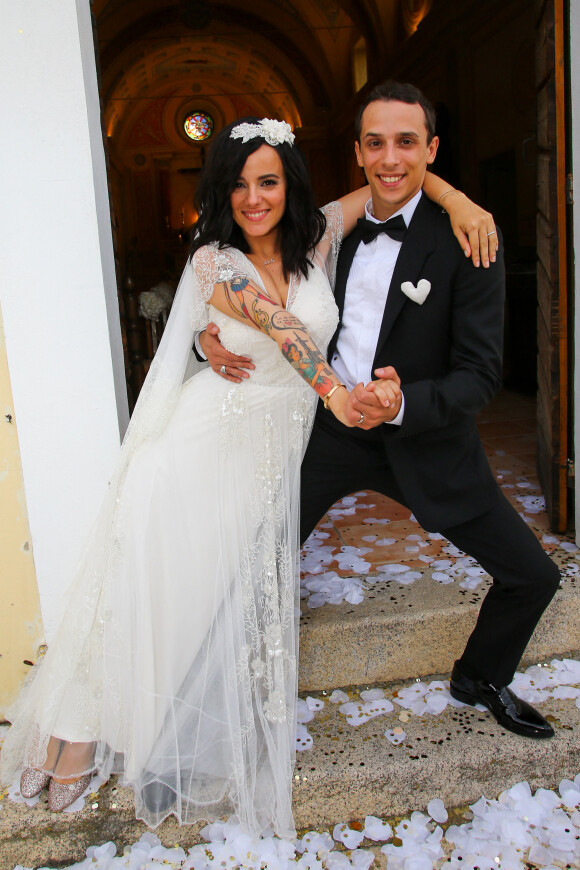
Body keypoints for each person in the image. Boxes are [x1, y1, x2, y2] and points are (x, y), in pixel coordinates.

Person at [1, 114, 497, 838]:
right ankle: (77, 726)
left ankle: (130, 718)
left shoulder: (321, 233)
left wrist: (458, 201)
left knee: (199, 595)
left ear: (288, 186)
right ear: (222, 193)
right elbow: (278, 324)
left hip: (267, 453)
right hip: (200, 445)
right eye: (238, 184)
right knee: (147, 585)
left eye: (267, 181)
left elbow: (391, 180)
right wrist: (332, 391)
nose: (254, 197)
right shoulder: (214, 261)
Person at [202, 84, 562, 742]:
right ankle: (227, 707)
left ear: (432, 148)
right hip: (326, 431)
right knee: (257, 564)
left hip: (423, 436)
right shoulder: (325, 230)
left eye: (406, 141)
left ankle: (480, 675)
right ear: (359, 152)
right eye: (376, 142)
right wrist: (207, 338)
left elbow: (481, 375)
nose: (390, 157)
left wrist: (402, 403)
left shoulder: (469, 238)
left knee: (534, 575)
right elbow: (242, 278)